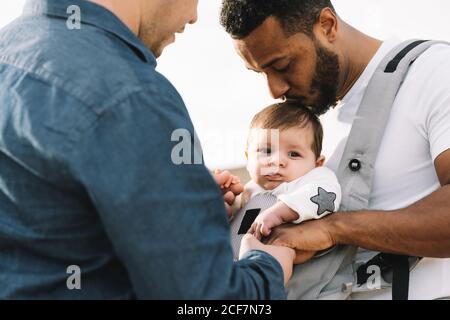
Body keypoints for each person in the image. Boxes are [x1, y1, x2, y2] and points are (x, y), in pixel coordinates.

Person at [0, 0, 295, 299]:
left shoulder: (8, 47)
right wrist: (269, 265)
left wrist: (182, 208)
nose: (194, 16)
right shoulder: (134, 97)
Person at [220, 0, 450, 299]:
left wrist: (334, 228)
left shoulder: (434, 71)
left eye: (282, 65)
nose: (274, 90)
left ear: (327, 25)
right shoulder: (312, 115)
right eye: (259, 73)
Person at [235, 103, 341, 240]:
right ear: (248, 159)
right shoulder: (250, 188)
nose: (276, 161)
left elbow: (326, 196)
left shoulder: (314, 178)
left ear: (317, 163)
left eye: (293, 154)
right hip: (232, 256)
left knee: (284, 251)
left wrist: (278, 213)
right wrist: (226, 199)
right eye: (266, 151)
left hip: (272, 256)